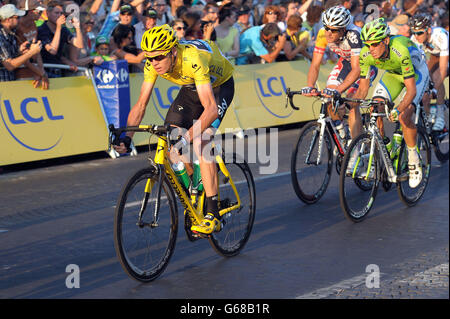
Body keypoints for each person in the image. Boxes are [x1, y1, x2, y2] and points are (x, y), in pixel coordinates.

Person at [114, 25, 235, 235]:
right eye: (149, 58)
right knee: (173, 143)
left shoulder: (192, 58)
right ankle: (195, 194)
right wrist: (127, 137)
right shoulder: (153, 64)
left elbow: (211, 110)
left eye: (159, 57)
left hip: (218, 87)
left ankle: (213, 212)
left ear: (173, 51)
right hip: (190, 89)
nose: (154, 63)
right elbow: (141, 104)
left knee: (201, 141)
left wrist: (188, 137)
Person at [354, 18, 430, 188]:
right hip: (392, 75)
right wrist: (352, 105)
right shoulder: (365, 54)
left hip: (416, 73)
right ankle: (385, 146)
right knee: (375, 106)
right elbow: (363, 88)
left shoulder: (400, 49)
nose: (370, 49)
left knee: (404, 115)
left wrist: (399, 108)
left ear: (386, 41)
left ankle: (413, 160)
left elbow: (411, 91)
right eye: (367, 44)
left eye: (374, 44)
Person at [302, 6, 376, 141]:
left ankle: (355, 149)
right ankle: (341, 133)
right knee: (328, 96)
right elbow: (315, 64)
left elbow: (357, 69)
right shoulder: (322, 34)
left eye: (334, 30)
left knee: (352, 102)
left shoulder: (354, 35)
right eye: (327, 28)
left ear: (343, 29)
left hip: (364, 66)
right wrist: (310, 85)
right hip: (345, 62)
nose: (328, 33)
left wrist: (339, 90)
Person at [409, 12, 449, 132]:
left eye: (420, 33)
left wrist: (435, 89)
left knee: (437, 77)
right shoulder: (414, 40)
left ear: (429, 30)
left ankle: (441, 115)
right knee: (426, 78)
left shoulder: (440, 36)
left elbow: (442, 68)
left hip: (445, 54)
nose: (416, 36)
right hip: (435, 55)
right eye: (414, 33)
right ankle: (428, 118)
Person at [37, 0, 83, 77]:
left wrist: (77, 28)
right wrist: (58, 28)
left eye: (61, 13)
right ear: (48, 14)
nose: (59, 16)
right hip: (44, 71)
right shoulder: (41, 30)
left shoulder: (64, 30)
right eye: (56, 13)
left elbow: (79, 45)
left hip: (58, 71)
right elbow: (52, 51)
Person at [0, 3, 43, 82]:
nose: (20, 19)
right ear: (8, 20)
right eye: (17, 17)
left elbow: (9, 58)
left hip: (9, 83)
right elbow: (9, 65)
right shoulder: (1, 37)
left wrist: (19, 52)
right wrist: (31, 52)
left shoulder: (10, 33)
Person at [15, 0, 48, 88]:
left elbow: (37, 50)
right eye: (39, 11)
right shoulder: (17, 27)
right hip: (21, 73)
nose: (41, 13)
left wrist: (41, 70)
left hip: (35, 72)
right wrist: (40, 73)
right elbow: (22, 56)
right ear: (30, 12)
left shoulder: (33, 24)